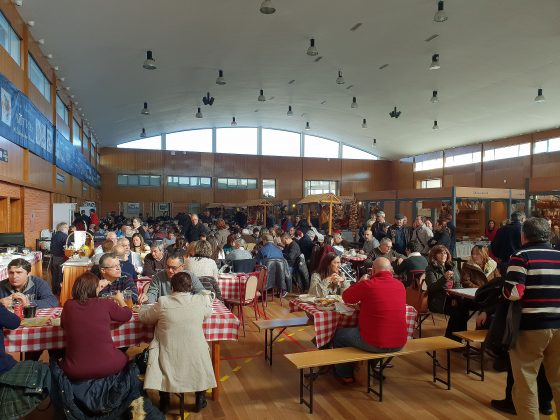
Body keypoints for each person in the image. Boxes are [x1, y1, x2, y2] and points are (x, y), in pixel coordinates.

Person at [51, 273, 162, 418]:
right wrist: (120, 300)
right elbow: (126, 315)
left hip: (75, 368)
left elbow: (64, 326)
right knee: (124, 356)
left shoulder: (68, 306)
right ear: (94, 289)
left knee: (58, 356)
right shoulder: (104, 303)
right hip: (109, 365)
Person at [503, 217, 560, 418]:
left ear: (524, 235)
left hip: (531, 327)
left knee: (525, 383)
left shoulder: (521, 256)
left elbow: (514, 293)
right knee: (558, 380)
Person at [138, 272, 216, 413]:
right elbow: (207, 313)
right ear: (190, 287)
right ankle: (200, 397)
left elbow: (145, 318)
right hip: (195, 352)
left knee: (158, 353)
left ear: (172, 288)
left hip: (168, 351)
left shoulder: (163, 302)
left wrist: (142, 307)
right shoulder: (200, 300)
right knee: (201, 356)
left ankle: (165, 400)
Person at [333, 257, 407, 383]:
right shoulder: (400, 285)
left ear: (373, 270)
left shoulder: (368, 284)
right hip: (399, 343)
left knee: (339, 335)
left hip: (375, 343)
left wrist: (360, 282)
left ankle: (344, 374)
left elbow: (346, 297)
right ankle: (372, 367)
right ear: (390, 270)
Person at [0, 304, 50, 420]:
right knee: (44, 370)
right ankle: (8, 408)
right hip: (2, 366)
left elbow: (50, 300)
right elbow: (14, 322)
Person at [425, 245, 467, 339]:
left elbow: (457, 283)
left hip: (453, 297)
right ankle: (451, 339)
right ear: (434, 255)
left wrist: (455, 297)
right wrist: (444, 278)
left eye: (445, 253)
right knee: (457, 313)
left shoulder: (452, 266)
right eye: (440, 253)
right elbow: (432, 288)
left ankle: (461, 338)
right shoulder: (430, 268)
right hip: (439, 301)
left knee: (464, 309)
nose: (443, 255)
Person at [140, 252, 204, 304]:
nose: (170, 270)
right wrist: (147, 298)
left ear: (182, 267)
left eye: (174, 268)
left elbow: (201, 293)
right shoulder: (158, 277)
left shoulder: (190, 276)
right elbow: (152, 294)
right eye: (168, 267)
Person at [491, 211, 526, 277]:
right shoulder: (524, 230)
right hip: (521, 262)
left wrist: (499, 256)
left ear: (511, 219)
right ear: (522, 219)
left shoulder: (501, 229)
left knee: (506, 281)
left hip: (505, 261)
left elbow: (494, 246)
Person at [50, 222, 69, 295]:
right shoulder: (65, 236)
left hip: (54, 257)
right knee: (60, 274)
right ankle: (59, 291)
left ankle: (54, 290)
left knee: (55, 274)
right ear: (63, 228)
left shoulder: (54, 235)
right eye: (67, 228)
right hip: (61, 257)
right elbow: (68, 247)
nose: (68, 229)